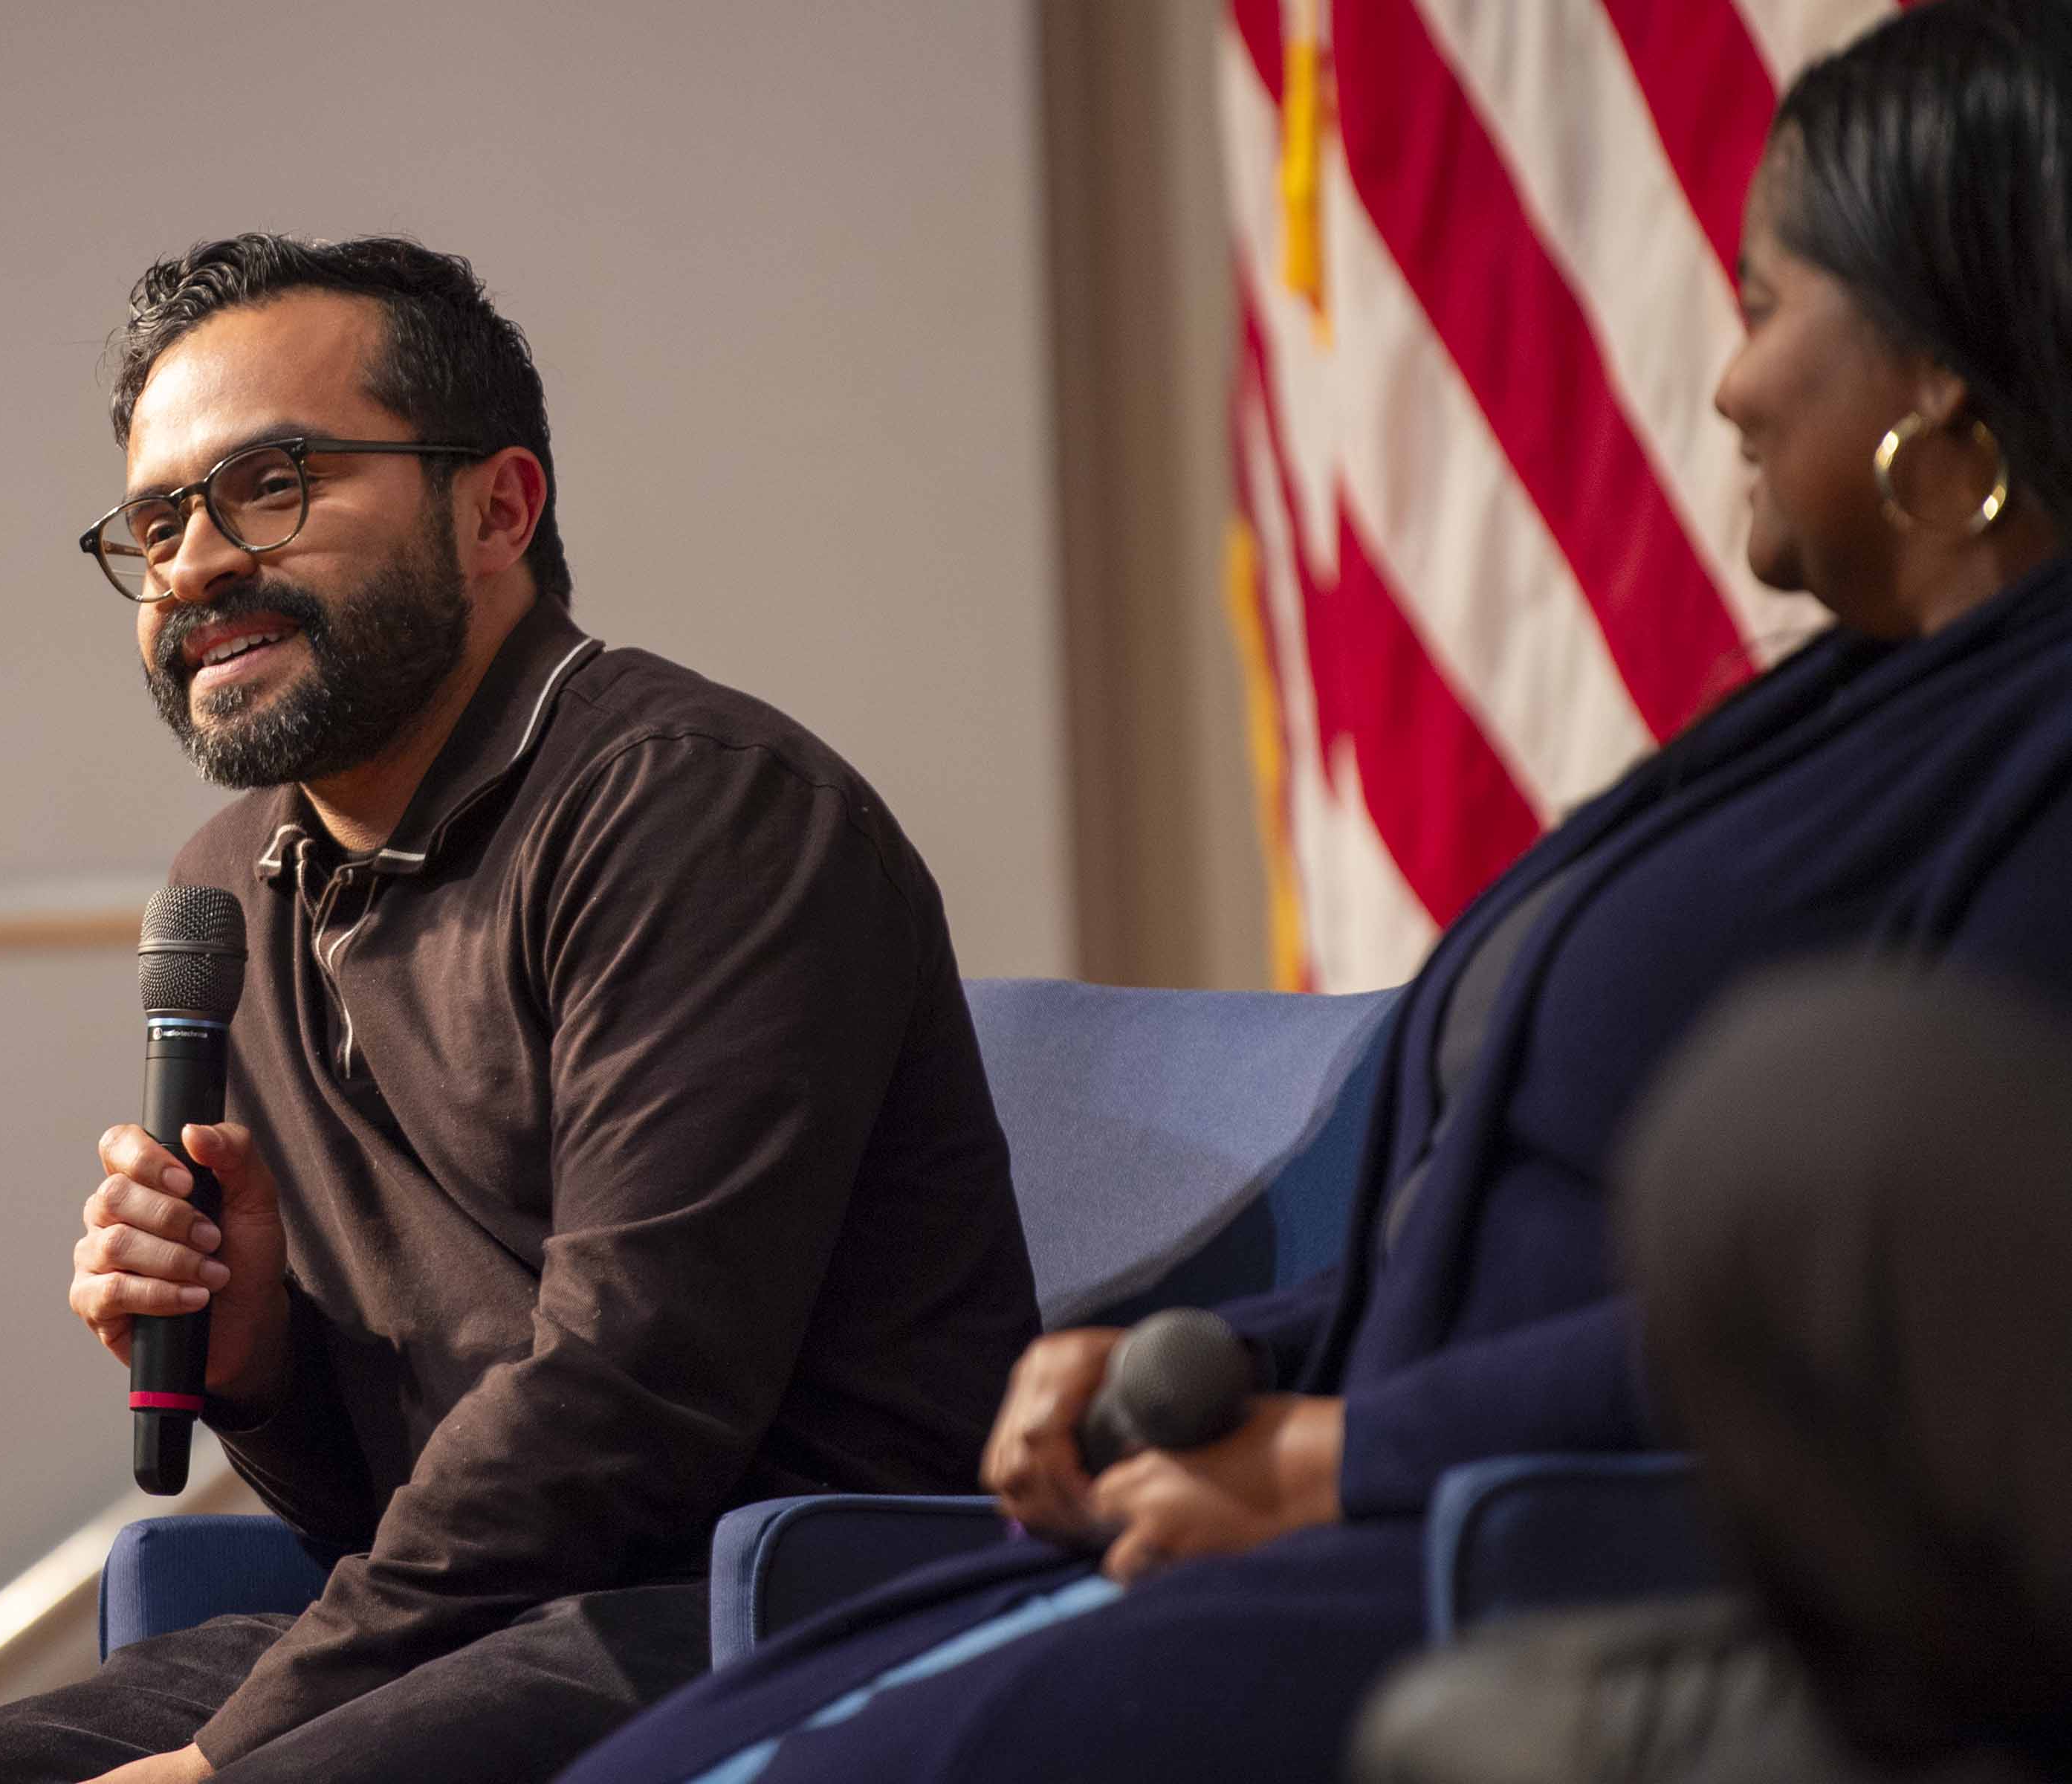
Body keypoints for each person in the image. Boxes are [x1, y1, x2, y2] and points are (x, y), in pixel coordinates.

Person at [558, 3, 2072, 1779]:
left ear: (1932, 366)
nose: (1723, 385)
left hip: (1548, 1556)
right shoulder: (1834, 700)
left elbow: (1904, 1326)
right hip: (1351, 1502)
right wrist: (1167, 1356)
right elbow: (1474, 1249)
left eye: (1758, 305)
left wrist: (1337, 1455)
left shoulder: (2036, 747)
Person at [0, 236, 1037, 1784]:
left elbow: (631, 1404)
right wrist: (261, 1360)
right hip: (480, 1613)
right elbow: (369, 1511)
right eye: (154, 521)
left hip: (772, 1611)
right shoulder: (235, 880)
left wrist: (226, 1761)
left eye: (272, 485)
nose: (193, 565)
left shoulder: (693, 813)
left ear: (497, 507)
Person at [1352, 963, 2072, 1784]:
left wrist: (1350, 1451)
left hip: (1498, 1471)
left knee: (1789, 1099)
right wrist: (1259, 1351)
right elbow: (1409, 1199)